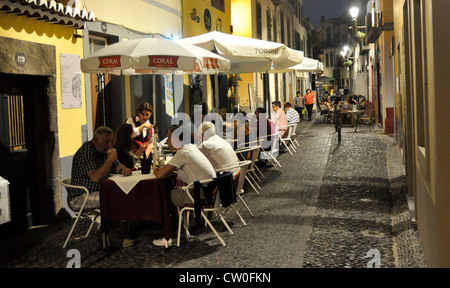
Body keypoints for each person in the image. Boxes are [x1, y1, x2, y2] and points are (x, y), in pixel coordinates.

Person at [152, 125, 216, 247]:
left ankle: (170, 236)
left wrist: (156, 171)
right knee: (172, 192)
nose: (167, 141)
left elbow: (160, 175)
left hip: (200, 195)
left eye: (169, 138)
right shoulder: (190, 148)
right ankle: (181, 231)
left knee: (165, 195)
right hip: (210, 192)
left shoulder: (183, 153)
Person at [70, 126, 133, 210]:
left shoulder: (104, 150)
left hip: (101, 191)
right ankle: (113, 222)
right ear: (96, 140)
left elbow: (118, 166)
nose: (109, 145)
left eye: (111, 142)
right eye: (106, 142)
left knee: (127, 193)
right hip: (82, 196)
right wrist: (109, 160)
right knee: (117, 198)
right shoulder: (86, 152)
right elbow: (95, 178)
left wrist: (124, 169)